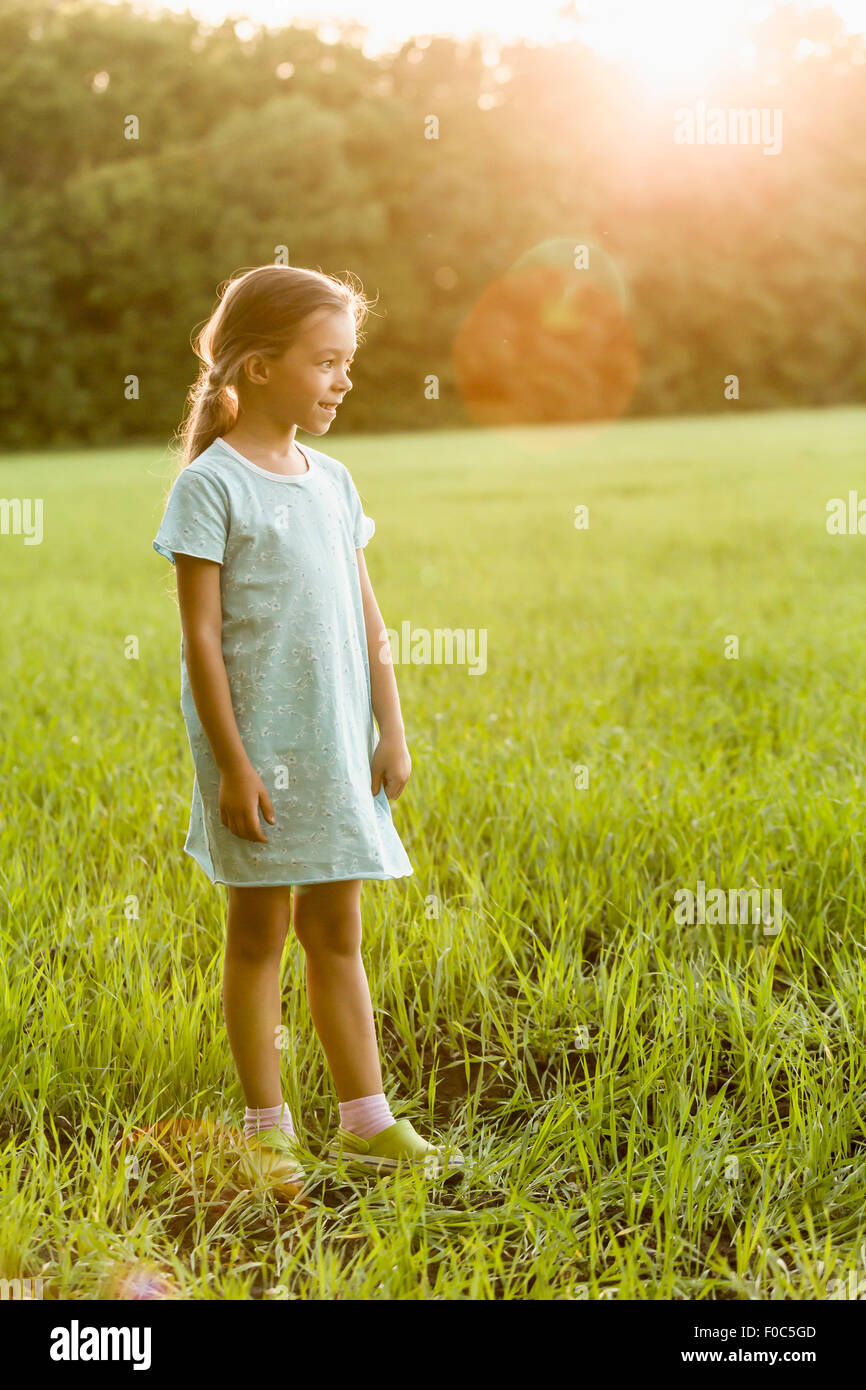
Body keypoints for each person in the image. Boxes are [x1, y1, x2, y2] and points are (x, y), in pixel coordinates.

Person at [152, 265, 464, 1203]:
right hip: (257, 754)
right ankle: (263, 1131)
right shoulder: (213, 487)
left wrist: (393, 729)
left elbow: (370, 619)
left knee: (338, 932)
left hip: (337, 746)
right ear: (259, 365)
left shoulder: (333, 480)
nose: (341, 381)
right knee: (259, 936)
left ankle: (365, 1121)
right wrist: (234, 766)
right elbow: (201, 641)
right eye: (325, 362)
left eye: (348, 364)